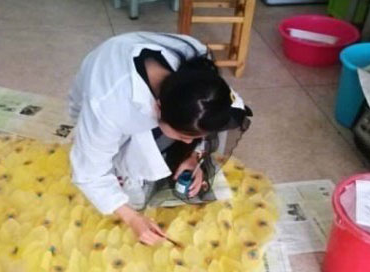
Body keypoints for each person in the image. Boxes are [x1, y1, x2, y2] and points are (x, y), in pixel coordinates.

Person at [69, 32, 251, 245]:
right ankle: (125, 174)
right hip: (105, 91)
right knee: (127, 188)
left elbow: (204, 120)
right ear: (158, 107)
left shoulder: (200, 76)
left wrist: (193, 156)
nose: (186, 141)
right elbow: (89, 173)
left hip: (141, 85)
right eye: (183, 136)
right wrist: (133, 218)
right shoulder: (109, 106)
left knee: (173, 144)